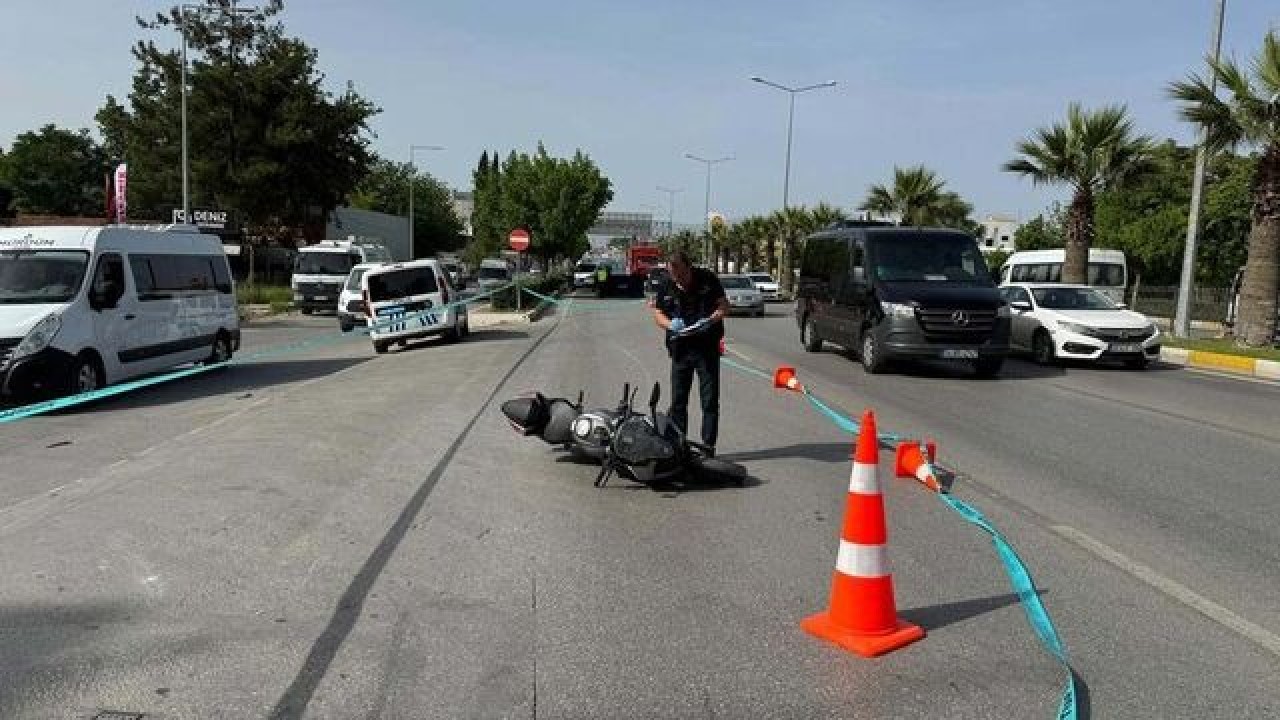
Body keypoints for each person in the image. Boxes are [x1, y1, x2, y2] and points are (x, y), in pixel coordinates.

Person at [652, 251, 730, 453]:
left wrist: (711, 320)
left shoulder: (708, 279)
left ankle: (707, 446)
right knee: (678, 401)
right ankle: (679, 445)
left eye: (682, 275)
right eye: (674, 275)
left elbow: (724, 306)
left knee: (709, 400)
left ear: (689, 267)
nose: (679, 280)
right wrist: (670, 325)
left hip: (706, 349)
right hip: (680, 350)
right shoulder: (666, 284)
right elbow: (658, 312)